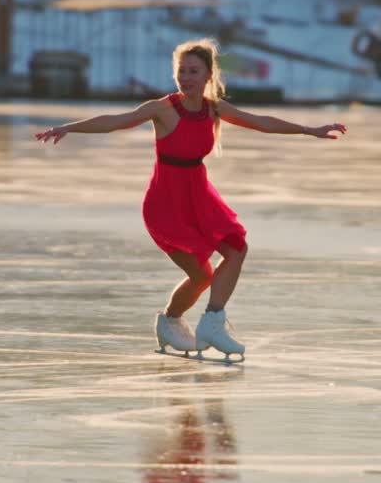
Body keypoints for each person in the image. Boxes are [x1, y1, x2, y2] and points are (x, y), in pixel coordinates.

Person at [34, 38, 347, 361]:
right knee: (201, 275)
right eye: (181, 71)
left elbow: (260, 123)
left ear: (209, 75)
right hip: (166, 203)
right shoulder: (163, 108)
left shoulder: (214, 109)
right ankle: (169, 321)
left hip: (198, 196)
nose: (186, 77)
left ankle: (212, 321)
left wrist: (309, 130)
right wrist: (69, 127)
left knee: (237, 249)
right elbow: (115, 121)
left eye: (194, 71)